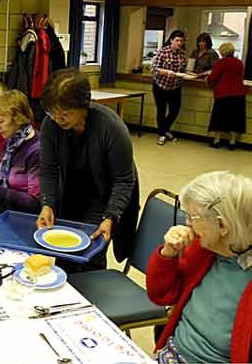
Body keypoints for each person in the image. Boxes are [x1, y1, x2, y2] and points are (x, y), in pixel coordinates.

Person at [36, 69, 139, 272]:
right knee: (63, 251)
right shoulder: (51, 125)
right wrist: (47, 204)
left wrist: (110, 216)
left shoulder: (111, 128)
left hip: (105, 196)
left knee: (90, 254)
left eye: (65, 114)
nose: (58, 119)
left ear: (84, 106)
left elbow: (124, 180)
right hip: (71, 192)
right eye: (52, 113)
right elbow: (48, 169)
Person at [147, 171, 252, 364]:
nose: (187, 223)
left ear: (222, 226)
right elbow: (161, 296)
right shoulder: (204, 250)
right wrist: (168, 254)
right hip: (172, 353)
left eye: (192, 217)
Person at [207, 42, 246, 150]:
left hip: (224, 94)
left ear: (223, 51)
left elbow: (213, 77)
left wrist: (208, 78)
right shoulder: (239, 62)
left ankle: (217, 140)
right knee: (234, 119)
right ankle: (232, 142)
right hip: (239, 94)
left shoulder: (222, 62)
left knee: (219, 118)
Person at [152, 30, 187, 146]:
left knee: (175, 110)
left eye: (181, 41)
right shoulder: (163, 52)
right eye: (177, 40)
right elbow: (155, 69)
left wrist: (187, 73)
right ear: (171, 40)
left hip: (175, 86)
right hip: (160, 86)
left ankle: (165, 129)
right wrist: (167, 72)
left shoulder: (182, 54)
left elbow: (183, 69)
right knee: (161, 110)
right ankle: (162, 134)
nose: (179, 43)